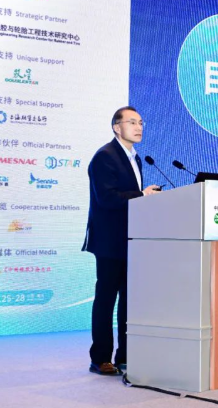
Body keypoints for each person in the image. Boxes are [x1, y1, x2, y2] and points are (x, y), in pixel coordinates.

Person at [82, 106, 161, 375]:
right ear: (117, 127)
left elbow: (131, 198)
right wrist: (142, 195)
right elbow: (107, 198)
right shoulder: (105, 156)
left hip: (131, 238)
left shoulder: (135, 158)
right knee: (106, 300)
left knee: (129, 301)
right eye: (132, 122)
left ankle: (125, 356)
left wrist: (146, 197)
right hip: (109, 240)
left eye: (141, 122)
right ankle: (100, 358)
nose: (139, 127)